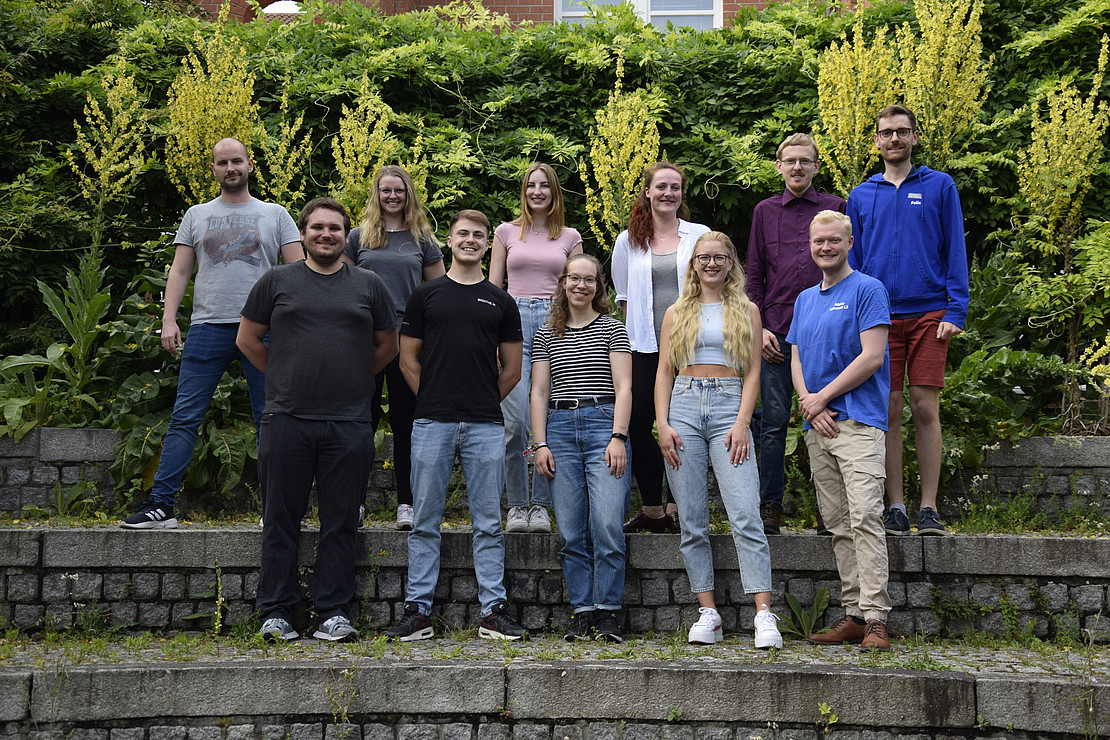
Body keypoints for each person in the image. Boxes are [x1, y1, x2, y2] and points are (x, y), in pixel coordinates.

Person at [237, 197, 398, 642]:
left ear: (345, 235)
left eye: (334, 228)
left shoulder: (368, 285)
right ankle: (277, 611)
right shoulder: (276, 281)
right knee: (280, 519)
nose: (325, 234)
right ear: (303, 234)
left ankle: (332, 611)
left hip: (349, 422)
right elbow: (248, 339)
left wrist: (355, 378)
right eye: (317, 228)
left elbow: (388, 344)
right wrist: (285, 372)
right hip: (286, 417)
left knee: (341, 520)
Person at [121, 138, 302, 529]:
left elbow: (298, 273)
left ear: (250, 164)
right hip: (206, 326)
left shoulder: (275, 214)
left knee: (269, 419)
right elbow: (180, 271)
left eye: (237, 160)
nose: (230, 167)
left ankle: (275, 509)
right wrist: (169, 319)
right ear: (214, 169)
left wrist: (298, 326)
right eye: (222, 162)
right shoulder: (197, 214)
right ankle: (161, 506)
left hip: (263, 330)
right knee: (185, 416)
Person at [385, 209, 528, 642]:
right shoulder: (425, 296)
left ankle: (493, 612)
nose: (470, 240)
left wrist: (482, 400)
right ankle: (418, 613)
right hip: (431, 423)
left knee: (488, 521)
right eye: (462, 233)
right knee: (425, 519)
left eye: (478, 235)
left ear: (487, 244)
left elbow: (513, 369)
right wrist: (429, 397)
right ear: (449, 241)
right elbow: (407, 357)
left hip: (485, 424)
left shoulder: (501, 301)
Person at [655, 232, 783, 649]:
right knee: (691, 518)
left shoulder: (746, 309)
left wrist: (744, 421)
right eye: (703, 258)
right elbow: (663, 372)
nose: (711, 264)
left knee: (745, 512)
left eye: (719, 258)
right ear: (693, 264)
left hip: (730, 406)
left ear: (731, 263)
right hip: (684, 407)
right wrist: (662, 423)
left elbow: (752, 372)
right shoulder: (677, 311)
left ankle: (764, 613)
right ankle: (708, 612)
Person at [846, 105, 969, 536]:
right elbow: (853, 264)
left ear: (915, 137)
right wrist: (855, 314)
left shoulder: (939, 186)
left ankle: (929, 508)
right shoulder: (861, 195)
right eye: (886, 133)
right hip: (879, 317)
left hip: (931, 312)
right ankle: (895, 506)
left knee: (924, 407)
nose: (894, 139)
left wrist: (957, 309)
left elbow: (955, 248)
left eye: (902, 132)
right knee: (889, 410)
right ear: (876, 141)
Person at [787, 210, 893, 651]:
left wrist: (820, 398)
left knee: (866, 517)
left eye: (834, 240)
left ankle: (876, 620)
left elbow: (872, 357)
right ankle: (852, 613)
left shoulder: (868, 289)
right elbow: (796, 358)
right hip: (821, 426)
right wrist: (811, 407)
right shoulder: (805, 299)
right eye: (818, 242)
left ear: (850, 243)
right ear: (810, 247)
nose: (825, 247)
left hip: (858, 423)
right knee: (838, 523)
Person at [747, 133, 846, 535]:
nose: (797, 168)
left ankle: (828, 507)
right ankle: (770, 504)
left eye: (805, 161)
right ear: (778, 166)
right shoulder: (764, 212)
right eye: (790, 161)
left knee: (826, 418)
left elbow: (844, 270)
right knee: (772, 424)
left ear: (816, 166)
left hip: (824, 336)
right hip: (776, 337)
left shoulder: (835, 207)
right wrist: (761, 328)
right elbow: (754, 275)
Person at [530, 254, 632, 643]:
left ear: (598, 286)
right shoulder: (545, 333)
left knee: (606, 525)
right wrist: (539, 442)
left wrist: (618, 436)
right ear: (563, 282)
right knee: (572, 532)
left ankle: (608, 612)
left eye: (589, 280)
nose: (580, 286)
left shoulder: (612, 328)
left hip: (603, 426)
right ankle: (582, 611)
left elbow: (624, 387)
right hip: (558, 430)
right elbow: (538, 392)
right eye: (574, 278)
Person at [343, 165, 445, 531]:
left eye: (398, 190)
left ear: (408, 194)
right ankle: (353, 503)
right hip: (365, 340)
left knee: (406, 425)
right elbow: (340, 286)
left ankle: (407, 502)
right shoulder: (357, 236)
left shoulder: (422, 239)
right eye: (385, 190)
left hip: (407, 342)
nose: (392, 196)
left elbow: (440, 294)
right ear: (376, 193)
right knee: (360, 423)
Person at [612, 162, 711, 534]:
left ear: (682, 194)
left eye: (675, 187)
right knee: (639, 424)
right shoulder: (628, 240)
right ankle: (653, 508)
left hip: (691, 348)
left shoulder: (699, 235)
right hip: (641, 345)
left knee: (683, 424)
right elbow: (623, 298)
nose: (668, 193)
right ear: (648, 192)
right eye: (661, 187)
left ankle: (677, 507)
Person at [489, 163, 583, 534]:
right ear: (524, 191)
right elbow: (494, 289)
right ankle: (516, 506)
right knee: (514, 423)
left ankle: (541, 505)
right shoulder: (505, 232)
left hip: (556, 322)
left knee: (550, 419)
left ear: (554, 192)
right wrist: (490, 336)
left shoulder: (570, 236)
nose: (537, 191)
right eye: (531, 185)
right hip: (512, 321)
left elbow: (578, 286)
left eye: (545, 185)